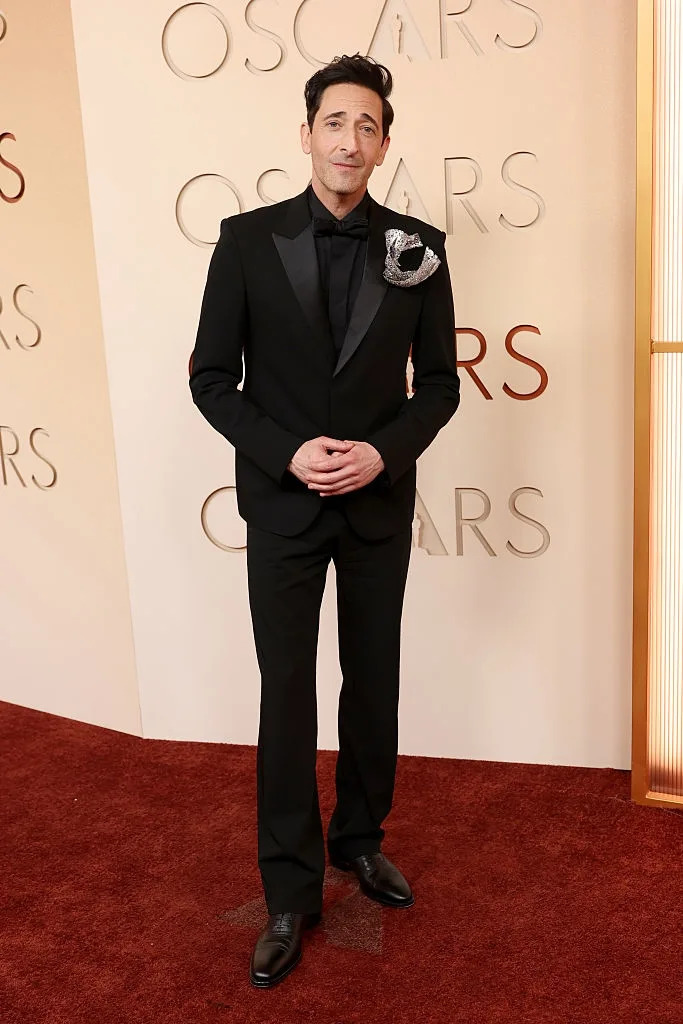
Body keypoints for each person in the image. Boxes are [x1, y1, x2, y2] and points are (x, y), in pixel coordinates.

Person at [189, 53, 460, 988]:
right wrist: (284, 452)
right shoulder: (243, 241)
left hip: (377, 502)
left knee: (372, 681)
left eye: (368, 127)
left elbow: (441, 388)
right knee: (286, 695)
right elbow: (210, 380)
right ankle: (288, 891)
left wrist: (384, 451)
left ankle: (360, 842)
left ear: (386, 144)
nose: (351, 140)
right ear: (305, 132)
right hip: (284, 504)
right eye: (334, 122)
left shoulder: (419, 245)